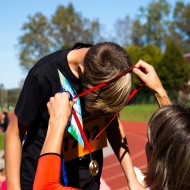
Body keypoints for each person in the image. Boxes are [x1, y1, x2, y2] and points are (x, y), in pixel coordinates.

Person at [4, 41, 170, 190]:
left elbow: (112, 123)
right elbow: (14, 133)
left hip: (87, 180)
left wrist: (131, 179)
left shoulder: (110, 67)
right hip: (41, 179)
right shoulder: (43, 75)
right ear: (81, 71)